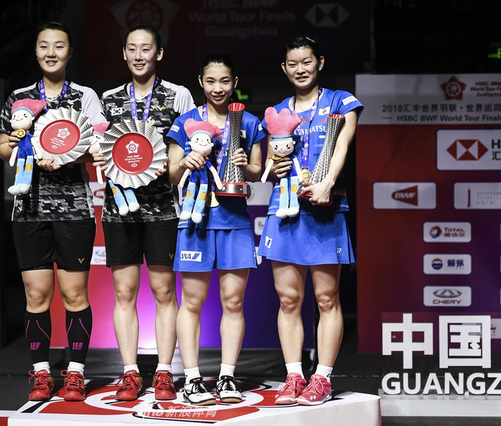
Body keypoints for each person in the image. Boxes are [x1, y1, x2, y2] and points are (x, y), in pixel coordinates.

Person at [0, 21, 105, 402]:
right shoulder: (19, 97)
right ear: (36, 51)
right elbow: (3, 148)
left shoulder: (85, 96)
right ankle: (41, 373)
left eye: (59, 46)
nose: (51, 52)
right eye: (44, 45)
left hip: (74, 208)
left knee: (74, 294)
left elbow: (99, 147)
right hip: (28, 209)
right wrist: (19, 144)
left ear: (70, 53)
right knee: (36, 294)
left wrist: (66, 156)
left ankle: (75, 373)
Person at [258, 36, 363, 406]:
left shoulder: (341, 101)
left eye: (306, 61)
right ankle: (293, 377)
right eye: (293, 64)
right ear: (284, 68)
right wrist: (275, 166)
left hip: (326, 207)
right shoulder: (277, 111)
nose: (300, 69)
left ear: (319, 62)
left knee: (326, 297)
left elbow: (343, 145)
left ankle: (322, 378)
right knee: (289, 299)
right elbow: (271, 161)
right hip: (285, 208)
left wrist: (327, 183)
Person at [97, 24, 195, 401]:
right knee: (124, 292)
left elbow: (191, 144)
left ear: (159, 53)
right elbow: (99, 148)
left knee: (164, 291)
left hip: (163, 208)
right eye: (132, 49)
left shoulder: (178, 95)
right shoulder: (109, 99)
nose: (139, 56)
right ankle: (130, 372)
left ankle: (165, 371)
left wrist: (176, 166)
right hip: (119, 209)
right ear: (124, 53)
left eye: (146, 48)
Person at [167, 53, 264, 406]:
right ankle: (192, 379)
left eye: (224, 81)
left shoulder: (249, 121)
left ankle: (226, 377)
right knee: (192, 302)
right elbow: (171, 174)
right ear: (200, 82)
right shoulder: (185, 122)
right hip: (196, 221)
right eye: (210, 81)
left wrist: (246, 165)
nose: (218, 88)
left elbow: (258, 171)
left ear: (234, 83)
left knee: (233, 301)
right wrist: (185, 161)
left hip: (235, 220)